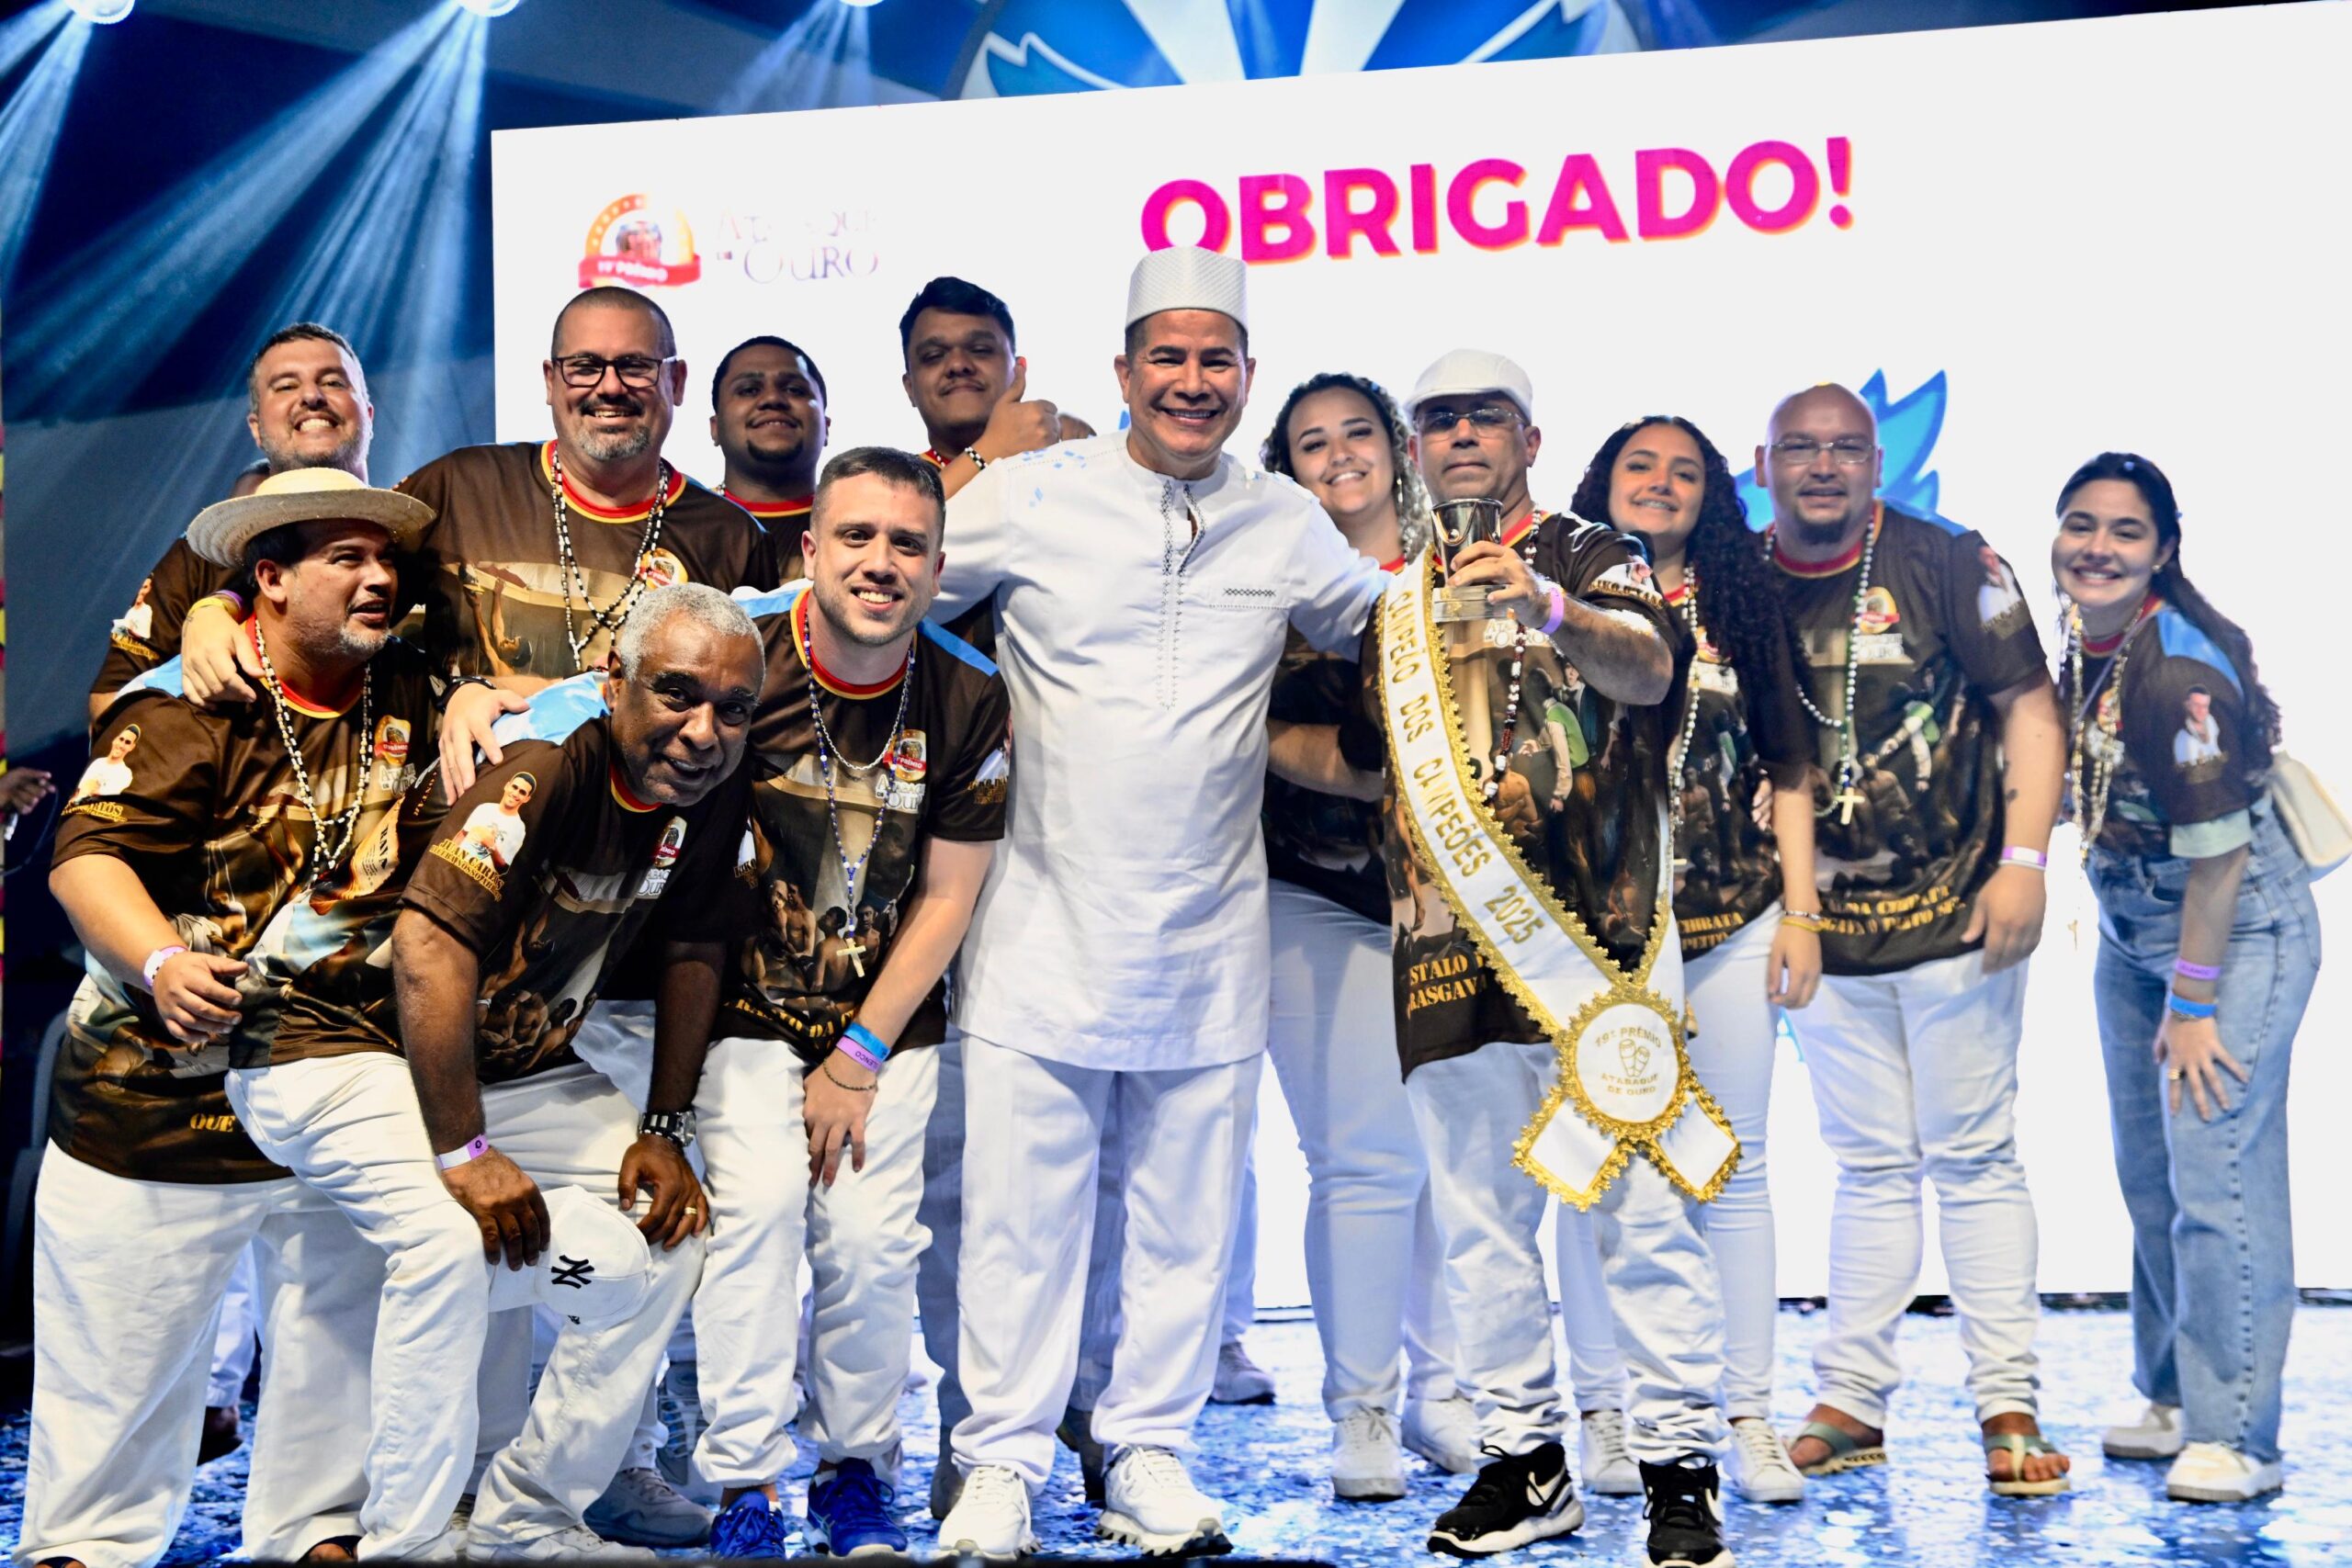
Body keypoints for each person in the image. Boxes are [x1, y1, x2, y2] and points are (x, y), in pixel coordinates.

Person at [927, 245, 1385, 1557]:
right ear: (1123, 371)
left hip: (1207, 932)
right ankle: (1001, 1463)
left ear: (1247, 373)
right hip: (1040, 922)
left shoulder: (1281, 517)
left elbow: (1383, 628)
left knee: (1186, 1222)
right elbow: (884, 592)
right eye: (1168, 358)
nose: (1192, 381)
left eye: (1216, 360)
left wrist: (1514, 609)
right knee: (1020, 1223)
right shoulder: (1031, 492)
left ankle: (1145, 1452)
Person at [224, 582, 760, 1558]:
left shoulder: (709, 789)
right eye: (677, 693)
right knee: (445, 1240)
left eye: (733, 708)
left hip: (494, 1057)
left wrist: (665, 1126)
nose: (703, 731)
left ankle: (529, 1512)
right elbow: (428, 946)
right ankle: (408, 1541)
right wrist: (465, 1151)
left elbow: (695, 944)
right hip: (324, 1034)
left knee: (672, 1225)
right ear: (614, 683)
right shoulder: (542, 763)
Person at [590, 448, 1004, 1560]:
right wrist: (490, 699)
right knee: (759, 1213)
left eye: (907, 544)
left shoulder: (968, 690)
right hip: (737, 1003)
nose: (881, 562)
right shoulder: (743, 647)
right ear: (809, 549)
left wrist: (858, 1056)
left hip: (887, 1016)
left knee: (869, 1243)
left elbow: (951, 894)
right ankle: (745, 1480)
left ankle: (856, 1470)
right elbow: (603, 697)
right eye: (855, 536)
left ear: (937, 568)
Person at [24, 468, 441, 1568]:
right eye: (346, 558)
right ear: (271, 578)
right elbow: (85, 859)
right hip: (152, 1099)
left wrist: (483, 701)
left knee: (337, 1353)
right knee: (114, 1390)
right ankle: (89, 1549)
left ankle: (316, 1537)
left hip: (332, 1089)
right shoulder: (184, 705)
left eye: (384, 558)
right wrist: (161, 961)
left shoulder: (412, 685)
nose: (378, 576)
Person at [1373, 351, 1734, 1566]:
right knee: (1478, 1227)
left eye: (1486, 419)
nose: (1462, 437)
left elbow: (1651, 668)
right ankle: (1524, 1463)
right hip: (1442, 946)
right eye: (1440, 422)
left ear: (1528, 438)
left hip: (1599, 945)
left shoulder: (1589, 552)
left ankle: (1681, 1471)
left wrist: (1549, 607)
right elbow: (1357, 753)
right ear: (1415, 446)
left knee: (1642, 1213)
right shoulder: (1391, 596)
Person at [1760, 383, 2071, 1496]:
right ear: (1766, 462)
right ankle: (1851, 1402)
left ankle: (2007, 1405)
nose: (1823, 467)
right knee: (1869, 1168)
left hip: (1959, 919)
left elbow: (2029, 707)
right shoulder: (1741, 581)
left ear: (1876, 464)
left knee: (1975, 1160)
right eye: (1801, 448)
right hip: (1822, 934)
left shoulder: (1948, 562)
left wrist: (2024, 860)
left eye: (1846, 448)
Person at [1551, 417, 1822, 1506]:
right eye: (1639, 466)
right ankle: (1604, 1413)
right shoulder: (1557, 592)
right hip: (1592, 935)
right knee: (1592, 1169)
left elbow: (1790, 767)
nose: (1660, 484)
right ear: (1601, 481)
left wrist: (1800, 913)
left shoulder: (1743, 606)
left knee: (1732, 1169)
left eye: (1684, 472)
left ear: (1711, 496)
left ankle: (1745, 1415)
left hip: (1730, 920)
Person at [2051, 453, 2318, 1504]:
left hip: (2229, 933)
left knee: (2217, 1179)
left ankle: (2236, 1434)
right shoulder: (2089, 640)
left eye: (2124, 531)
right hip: (2133, 932)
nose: (2096, 547)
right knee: (2149, 1177)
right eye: (2080, 524)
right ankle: (2170, 1395)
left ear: (2161, 549)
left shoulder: (2173, 672)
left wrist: (2194, 1000)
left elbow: (2220, 858)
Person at [1253, 370, 1480, 1497]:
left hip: (1459, 904)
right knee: (1362, 1160)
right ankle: (1362, 1412)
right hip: (1312, 893)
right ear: (1284, 469)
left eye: (1357, 433)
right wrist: (1363, 773)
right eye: (1311, 443)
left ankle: (1446, 1395)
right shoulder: (1268, 588)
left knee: (1448, 1163)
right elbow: (1248, 732)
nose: (1339, 455)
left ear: (1396, 448)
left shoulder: (1461, 572)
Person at [92, 322, 376, 719]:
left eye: (332, 381)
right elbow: (107, 707)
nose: (311, 396)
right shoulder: (203, 556)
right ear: (256, 429)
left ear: (368, 414)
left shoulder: (417, 537)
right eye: (286, 386)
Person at [898, 276, 1063, 500]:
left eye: (980, 350)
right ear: (910, 388)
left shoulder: (1066, 460)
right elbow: (910, 517)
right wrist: (991, 449)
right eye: (934, 355)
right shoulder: (885, 483)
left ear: (1018, 370)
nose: (958, 365)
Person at [710, 335, 829, 579]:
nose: (773, 399)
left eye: (794, 390)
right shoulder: (674, 522)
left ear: (826, 427)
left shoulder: (861, 524)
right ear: (715, 427)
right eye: (749, 390)